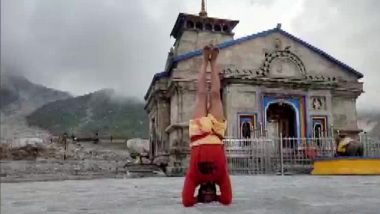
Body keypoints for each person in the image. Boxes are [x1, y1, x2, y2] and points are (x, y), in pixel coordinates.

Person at [181, 44, 232, 207]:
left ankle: (205, 61)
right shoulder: (221, 177)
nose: (209, 194)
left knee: (202, 95)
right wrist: (216, 198)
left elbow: (187, 201)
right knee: (216, 95)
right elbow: (227, 199)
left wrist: (199, 200)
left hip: (198, 135)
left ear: (201, 192)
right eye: (212, 194)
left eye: (206, 195)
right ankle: (214, 62)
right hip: (216, 134)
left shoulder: (194, 177)